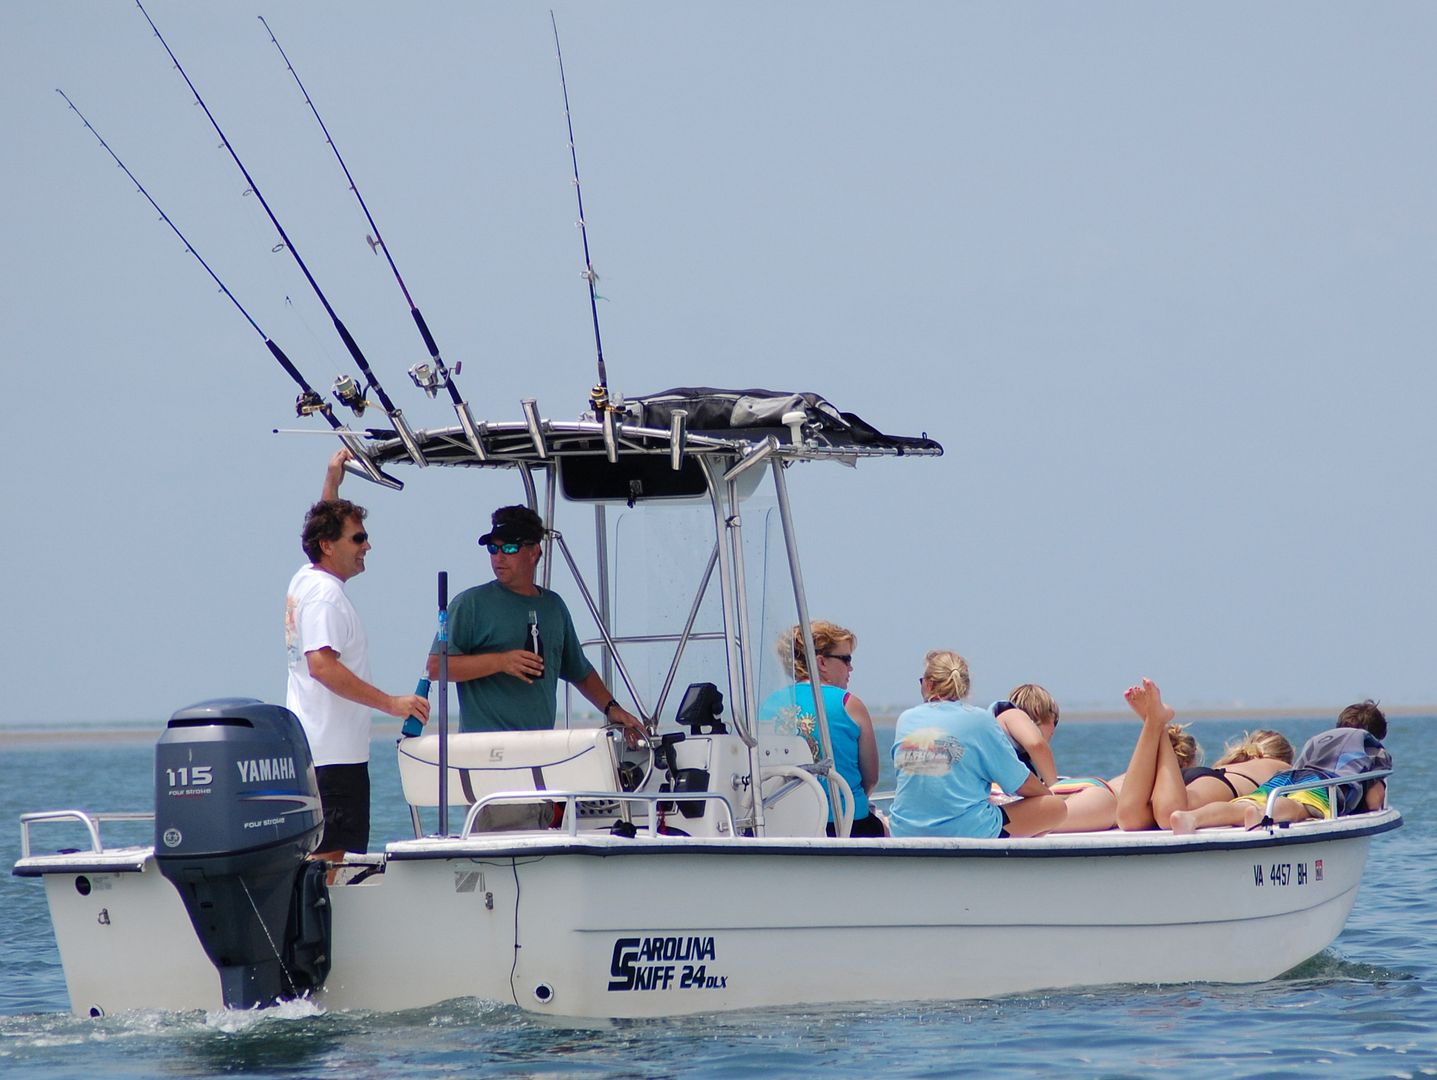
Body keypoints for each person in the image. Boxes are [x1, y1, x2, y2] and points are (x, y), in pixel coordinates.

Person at [286, 449, 430, 866]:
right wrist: (392, 703)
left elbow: (324, 524)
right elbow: (321, 666)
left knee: (328, 857)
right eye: (358, 538)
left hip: (320, 751)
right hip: (333, 757)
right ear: (328, 546)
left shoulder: (307, 578)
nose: (368, 545)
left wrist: (333, 479)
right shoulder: (324, 597)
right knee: (331, 859)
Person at [430, 504, 645, 746]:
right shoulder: (469, 604)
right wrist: (501, 662)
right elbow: (435, 667)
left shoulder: (553, 606)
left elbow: (579, 671)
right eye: (493, 548)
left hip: (541, 748)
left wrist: (611, 708)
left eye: (509, 548)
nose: (499, 557)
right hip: (484, 750)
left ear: (534, 552)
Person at [889, 650, 1065, 839]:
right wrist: (1047, 794)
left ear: (929, 684)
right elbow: (1021, 783)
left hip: (903, 829)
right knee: (1055, 807)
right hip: (965, 831)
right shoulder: (979, 720)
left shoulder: (906, 719)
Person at [1169, 699, 1392, 834]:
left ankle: (1193, 818)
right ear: (1378, 734)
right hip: (1323, 785)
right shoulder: (1372, 747)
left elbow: (1299, 766)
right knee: (1298, 808)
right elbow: (1374, 800)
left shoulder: (1319, 739)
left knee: (1244, 804)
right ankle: (1261, 815)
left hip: (1288, 778)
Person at [1115, 678, 1294, 831]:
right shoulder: (1282, 766)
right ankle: (1157, 723)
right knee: (1169, 814)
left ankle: (1155, 724)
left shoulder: (1233, 764)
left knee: (1129, 818)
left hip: (1188, 779)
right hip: (1217, 783)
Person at [757, 621, 883, 837]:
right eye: (846, 659)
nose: (850, 668)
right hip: (845, 823)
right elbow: (871, 778)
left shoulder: (770, 704)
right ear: (822, 662)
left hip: (787, 824)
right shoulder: (848, 704)